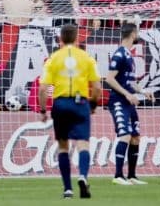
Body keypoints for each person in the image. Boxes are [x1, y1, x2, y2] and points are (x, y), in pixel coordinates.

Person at [39, 24, 101, 198]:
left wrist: (43, 110)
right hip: (80, 103)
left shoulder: (53, 59)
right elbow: (97, 87)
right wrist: (93, 106)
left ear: (60, 39)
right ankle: (82, 176)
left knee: (63, 147)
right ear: (76, 39)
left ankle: (67, 189)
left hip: (60, 104)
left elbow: (43, 89)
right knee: (83, 144)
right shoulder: (86, 58)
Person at [105, 22, 154, 186]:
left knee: (135, 137)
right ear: (133, 34)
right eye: (137, 32)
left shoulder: (128, 54)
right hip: (118, 101)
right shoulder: (119, 54)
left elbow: (131, 82)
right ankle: (118, 176)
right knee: (124, 135)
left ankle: (132, 175)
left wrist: (143, 91)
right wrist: (127, 94)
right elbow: (109, 79)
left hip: (129, 101)